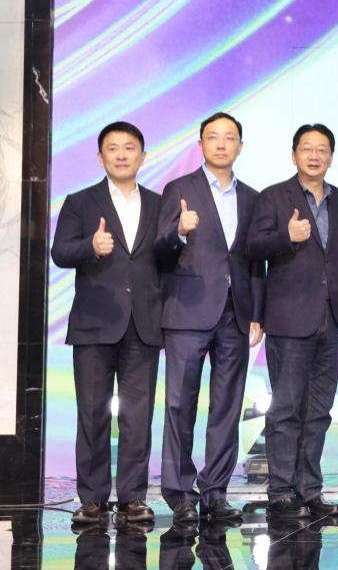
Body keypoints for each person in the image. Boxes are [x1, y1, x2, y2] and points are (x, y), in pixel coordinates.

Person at [154, 112, 266, 525]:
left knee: (227, 407)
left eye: (229, 137)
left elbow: (255, 260)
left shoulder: (253, 198)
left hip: (236, 313)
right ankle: (180, 493)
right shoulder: (179, 190)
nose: (221, 144)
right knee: (179, 404)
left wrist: (257, 313)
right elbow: (158, 250)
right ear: (200, 144)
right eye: (213, 137)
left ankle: (215, 492)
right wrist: (179, 231)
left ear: (240, 146)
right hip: (187, 310)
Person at [51, 122, 163, 527]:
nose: (121, 154)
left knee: (137, 416)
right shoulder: (80, 202)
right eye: (112, 148)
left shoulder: (160, 204)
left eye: (129, 147)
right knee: (92, 414)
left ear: (143, 156)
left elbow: (166, 259)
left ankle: (133, 497)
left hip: (144, 325)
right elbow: (59, 252)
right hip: (95, 323)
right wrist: (90, 246)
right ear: (100, 158)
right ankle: (92, 499)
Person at [247, 124, 338, 519]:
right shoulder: (273, 196)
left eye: (322, 149)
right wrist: (287, 236)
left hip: (331, 317)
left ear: (331, 156)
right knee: (286, 410)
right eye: (307, 148)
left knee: (319, 411)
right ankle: (280, 492)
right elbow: (253, 248)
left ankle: (310, 490)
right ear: (294, 154)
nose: (314, 156)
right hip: (289, 318)